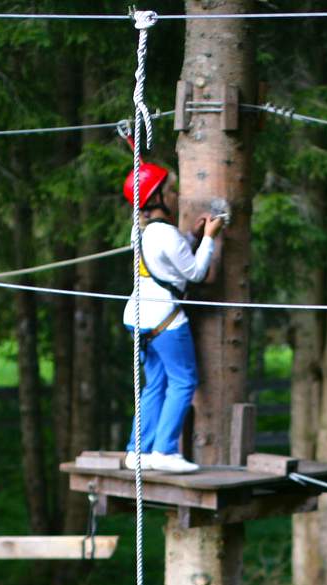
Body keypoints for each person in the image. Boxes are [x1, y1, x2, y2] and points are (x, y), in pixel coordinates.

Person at [120, 159, 224, 475]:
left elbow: (168, 262)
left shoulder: (142, 233)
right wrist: (209, 237)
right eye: (171, 189)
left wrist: (191, 237)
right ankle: (165, 450)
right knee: (184, 380)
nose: (176, 194)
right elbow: (194, 272)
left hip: (138, 317)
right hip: (165, 319)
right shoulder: (165, 234)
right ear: (157, 198)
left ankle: (137, 450)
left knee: (156, 383)